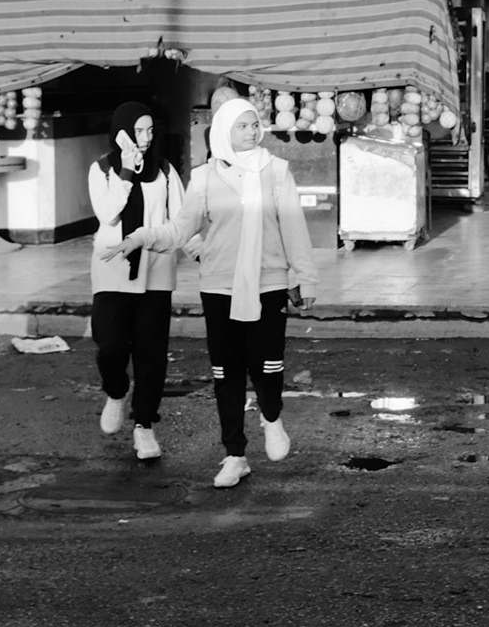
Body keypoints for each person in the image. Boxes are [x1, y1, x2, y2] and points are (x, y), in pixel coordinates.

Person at [114, 98, 317, 489]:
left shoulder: (277, 171)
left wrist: (305, 277)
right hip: (219, 285)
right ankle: (235, 455)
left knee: (268, 365)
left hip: (268, 282)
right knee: (226, 372)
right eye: (242, 126)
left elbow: (294, 228)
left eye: (254, 125)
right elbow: (181, 228)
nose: (252, 132)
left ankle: (271, 417)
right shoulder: (205, 177)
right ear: (224, 132)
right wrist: (142, 236)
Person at [87, 101, 188, 462]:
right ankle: (116, 391)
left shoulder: (165, 171)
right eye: (138, 131)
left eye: (150, 130)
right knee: (110, 346)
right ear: (121, 133)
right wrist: (127, 172)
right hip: (112, 270)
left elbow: (181, 222)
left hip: (155, 272)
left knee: (151, 355)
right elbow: (108, 213)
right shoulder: (102, 169)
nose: (145, 138)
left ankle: (144, 424)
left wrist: (203, 252)